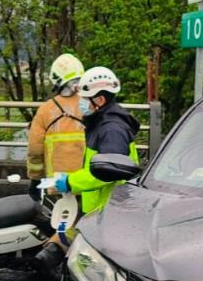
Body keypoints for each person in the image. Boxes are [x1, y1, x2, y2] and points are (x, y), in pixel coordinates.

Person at [27, 54, 88, 273]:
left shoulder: (46, 110)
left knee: (60, 220)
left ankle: (54, 254)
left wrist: (35, 179)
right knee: (84, 222)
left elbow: (35, 150)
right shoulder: (89, 107)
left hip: (56, 183)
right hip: (86, 181)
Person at [52, 66, 140, 215]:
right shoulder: (101, 123)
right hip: (100, 209)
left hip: (108, 212)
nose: (80, 102)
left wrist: (70, 182)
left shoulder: (111, 131)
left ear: (99, 100)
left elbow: (106, 172)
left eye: (85, 98)